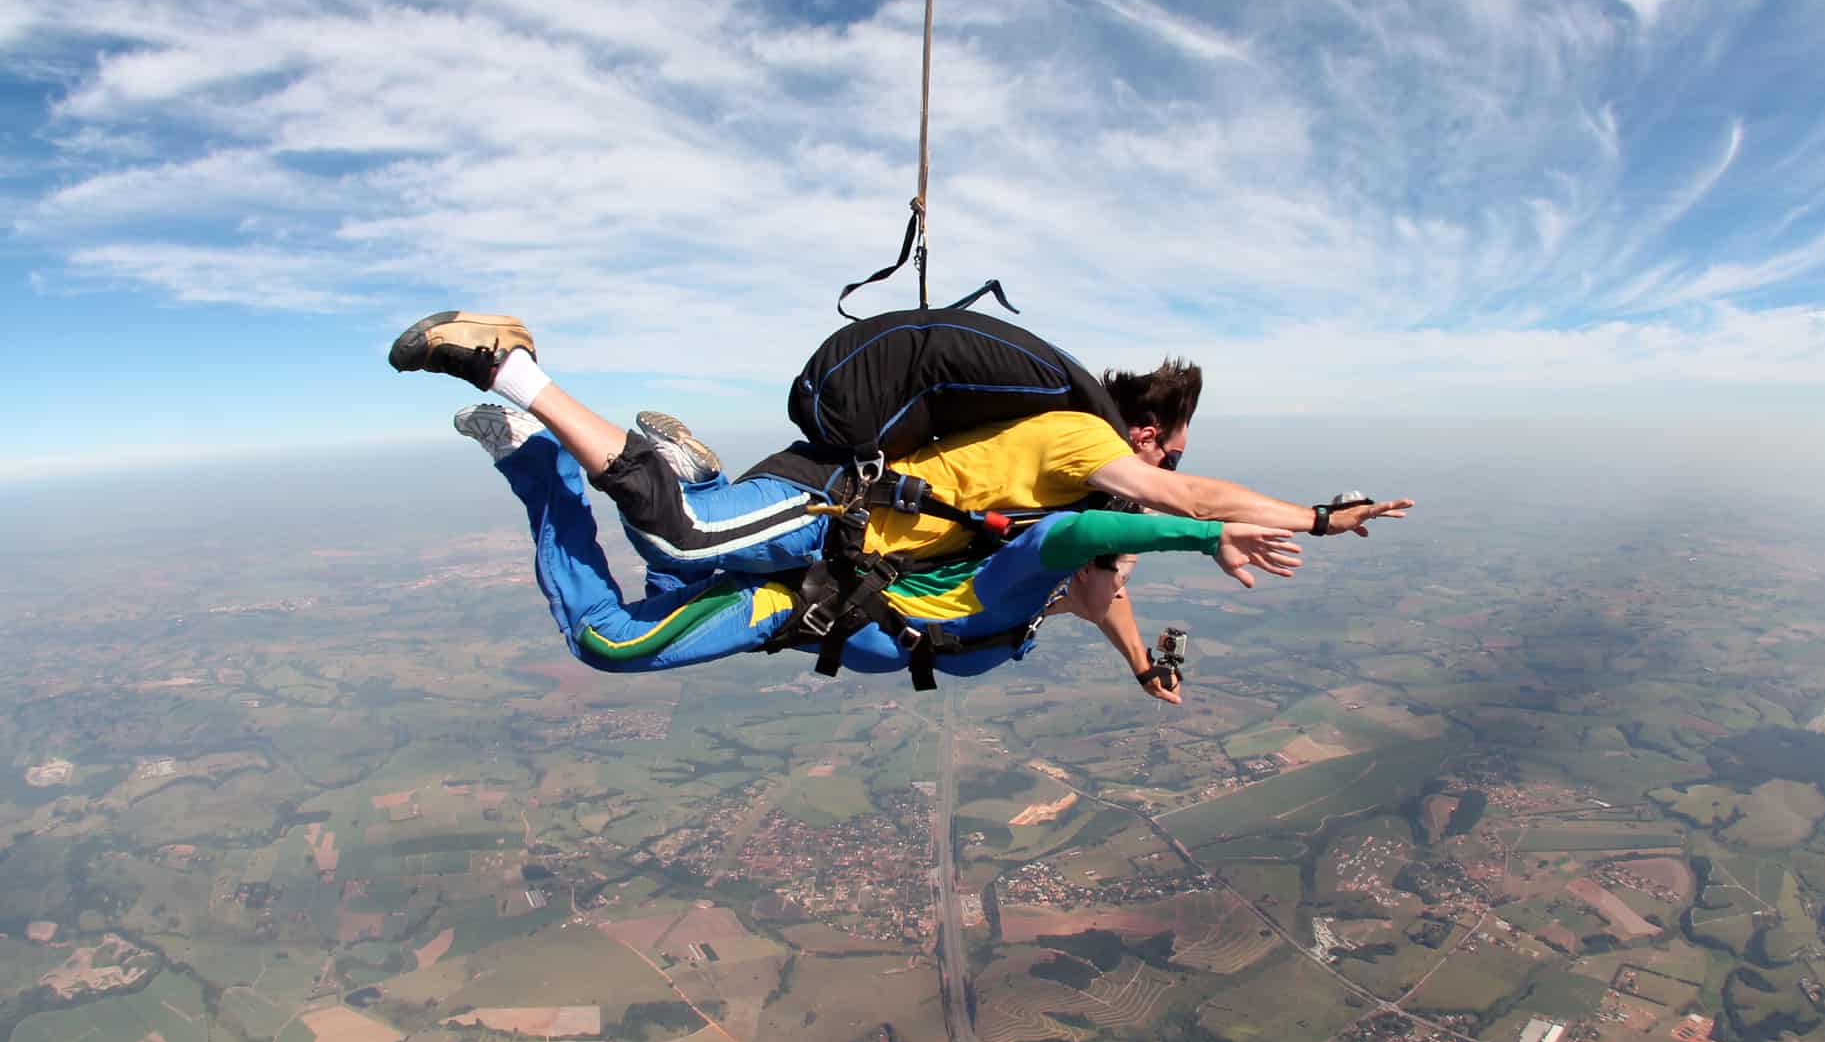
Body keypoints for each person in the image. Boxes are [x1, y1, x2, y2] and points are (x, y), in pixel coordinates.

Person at [389, 310, 1414, 681]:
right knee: (685, 542)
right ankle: (510, 371)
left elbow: (1105, 585)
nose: (1163, 471)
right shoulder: (1080, 455)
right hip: (841, 520)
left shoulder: (1049, 568)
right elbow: (1135, 515)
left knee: (601, 639)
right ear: (1144, 431)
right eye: (1165, 447)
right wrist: (1296, 519)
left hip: (823, 581)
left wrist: (1146, 671)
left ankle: (534, 455)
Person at [456, 403, 1301, 697]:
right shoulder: (1011, 581)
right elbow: (1084, 537)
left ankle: (702, 479)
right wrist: (1205, 532)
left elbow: (1106, 595)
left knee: (675, 564)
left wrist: (1143, 668)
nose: (1113, 596)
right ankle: (534, 457)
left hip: (813, 609)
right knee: (608, 640)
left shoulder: (1054, 602)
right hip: (794, 606)